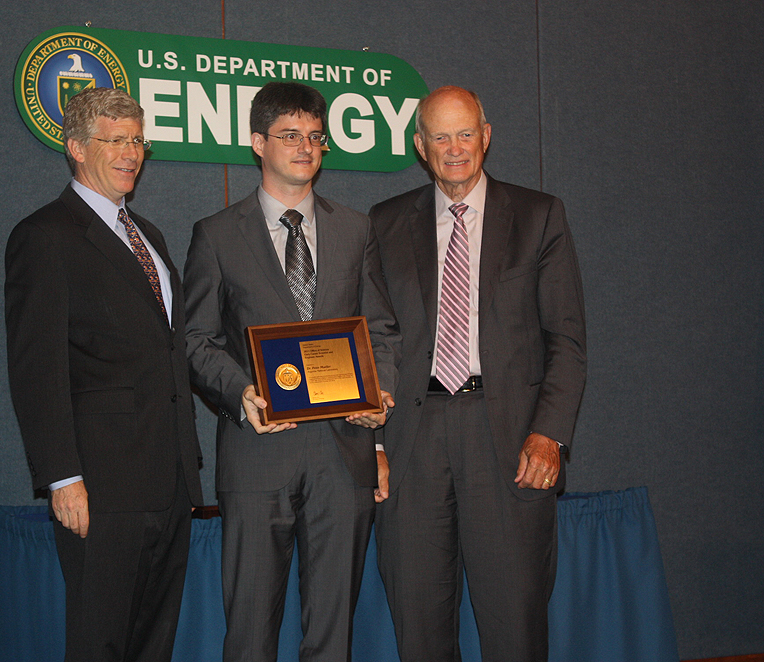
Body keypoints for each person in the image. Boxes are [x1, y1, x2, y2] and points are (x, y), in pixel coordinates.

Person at [182, 81, 400, 662]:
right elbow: (197, 343)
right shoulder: (217, 234)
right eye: (289, 135)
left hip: (343, 452)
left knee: (333, 633)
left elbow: (378, 329)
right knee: (250, 631)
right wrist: (243, 392)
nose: (305, 147)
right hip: (258, 452)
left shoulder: (356, 229)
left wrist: (381, 394)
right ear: (258, 143)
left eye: (314, 137)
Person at [369, 86, 587, 662]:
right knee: (419, 631)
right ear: (420, 146)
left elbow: (566, 340)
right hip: (414, 445)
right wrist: (374, 440)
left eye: (465, 133)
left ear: (486, 137)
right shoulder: (385, 222)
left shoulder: (540, 217)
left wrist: (551, 434)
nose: (455, 147)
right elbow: (375, 341)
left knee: (515, 629)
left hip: (511, 443)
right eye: (440, 136)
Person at [4, 87, 203, 662]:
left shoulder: (150, 237)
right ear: (74, 148)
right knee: (101, 643)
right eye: (113, 140)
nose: (130, 153)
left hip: (167, 482)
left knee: (152, 644)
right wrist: (62, 477)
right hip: (101, 486)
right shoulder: (44, 236)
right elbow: (35, 367)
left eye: (137, 140)